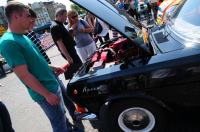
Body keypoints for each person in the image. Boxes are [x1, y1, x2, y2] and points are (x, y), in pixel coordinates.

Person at [0, 2, 71, 132]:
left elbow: (36, 60)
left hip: (51, 86)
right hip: (46, 92)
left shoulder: (22, 36)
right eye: (27, 16)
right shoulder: (8, 42)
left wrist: (52, 67)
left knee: (62, 119)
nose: (31, 19)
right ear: (16, 16)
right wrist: (47, 94)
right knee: (59, 126)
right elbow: (24, 75)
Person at [26, 8, 78, 123]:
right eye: (31, 21)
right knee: (58, 109)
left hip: (48, 68)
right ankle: (69, 122)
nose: (34, 24)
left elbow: (39, 55)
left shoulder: (30, 33)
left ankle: (74, 115)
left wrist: (51, 67)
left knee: (64, 95)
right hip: (43, 75)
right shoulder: (22, 37)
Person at [50, 8, 82, 79]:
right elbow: (60, 43)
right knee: (79, 67)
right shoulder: (55, 26)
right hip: (69, 52)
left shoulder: (58, 24)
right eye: (65, 16)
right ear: (59, 15)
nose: (66, 18)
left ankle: (75, 79)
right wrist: (68, 56)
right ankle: (74, 80)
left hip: (70, 50)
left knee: (78, 67)